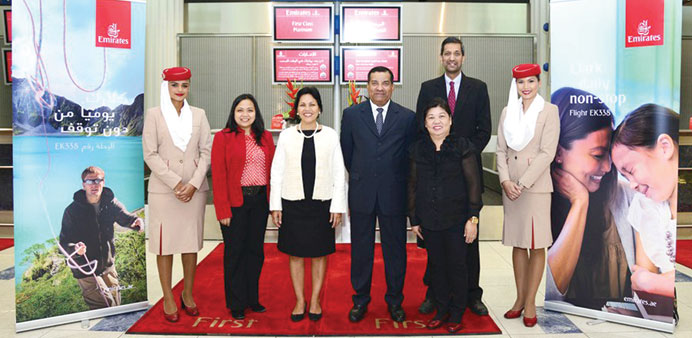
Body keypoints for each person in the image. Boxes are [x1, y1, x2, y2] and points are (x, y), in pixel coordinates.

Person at [415, 36, 491, 316]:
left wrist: (463, 157)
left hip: (466, 178)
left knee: (469, 241)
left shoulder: (478, 88)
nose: (451, 58)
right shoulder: (428, 88)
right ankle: (434, 294)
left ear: (463, 57)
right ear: (440, 57)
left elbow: (484, 130)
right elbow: (420, 128)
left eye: (456, 53)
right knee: (435, 242)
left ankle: (472, 294)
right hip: (434, 177)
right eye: (447, 53)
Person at [546, 87, 636, 311]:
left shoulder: (628, 197)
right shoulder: (539, 202)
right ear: (558, 152)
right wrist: (580, 203)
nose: (607, 167)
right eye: (597, 155)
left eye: (608, 154)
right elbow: (549, 292)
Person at [341, 66, 417, 323]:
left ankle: (395, 301)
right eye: (375, 83)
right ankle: (360, 300)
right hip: (362, 193)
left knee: (395, 251)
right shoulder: (351, 115)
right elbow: (347, 153)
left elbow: (410, 157)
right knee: (361, 250)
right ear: (367, 86)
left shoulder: (407, 117)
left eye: (385, 83)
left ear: (393, 87)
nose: (380, 88)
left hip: (393, 194)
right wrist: (363, 176)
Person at [270, 86, 347, 322]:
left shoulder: (331, 135)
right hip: (292, 203)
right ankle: (299, 300)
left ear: (320, 108)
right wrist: (276, 205)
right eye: (303, 105)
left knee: (319, 254)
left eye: (312, 104)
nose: (307, 109)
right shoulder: (286, 136)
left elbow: (338, 174)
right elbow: (277, 172)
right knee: (295, 254)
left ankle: (314, 299)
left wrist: (337, 206)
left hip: (322, 204)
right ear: (296, 109)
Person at [142, 67, 212, 322]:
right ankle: (168, 296)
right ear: (166, 87)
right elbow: (150, 154)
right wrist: (175, 183)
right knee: (165, 245)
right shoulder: (154, 115)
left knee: (189, 243)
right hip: (164, 191)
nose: (180, 90)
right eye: (175, 85)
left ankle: (188, 293)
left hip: (194, 190)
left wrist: (193, 183)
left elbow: (206, 152)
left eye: (184, 85)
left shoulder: (199, 114)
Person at [408, 98, 482, 333]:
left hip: (457, 220)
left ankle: (457, 312)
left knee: (458, 266)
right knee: (436, 266)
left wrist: (473, 219)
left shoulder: (463, 146)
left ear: (450, 120)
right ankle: (441, 309)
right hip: (429, 219)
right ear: (425, 123)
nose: (436, 121)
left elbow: (474, 185)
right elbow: (412, 185)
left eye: (442, 116)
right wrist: (414, 219)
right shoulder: (418, 148)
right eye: (431, 117)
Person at [496, 64, 559, 327]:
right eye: (521, 83)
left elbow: (548, 152)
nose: (526, 87)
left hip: (535, 187)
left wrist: (522, 182)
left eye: (531, 82)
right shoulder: (507, 112)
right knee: (518, 242)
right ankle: (519, 299)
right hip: (511, 187)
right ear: (515, 85)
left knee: (536, 243)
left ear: (539, 82)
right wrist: (505, 180)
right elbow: (500, 150)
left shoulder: (549, 111)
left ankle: (531, 301)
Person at [211, 94, 275, 320]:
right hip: (235, 204)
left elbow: (273, 172)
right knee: (235, 253)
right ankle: (236, 302)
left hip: (259, 201)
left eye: (250, 110)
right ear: (233, 112)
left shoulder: (265, 137)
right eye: (240, 110)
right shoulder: (223, 137)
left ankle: (252, 298)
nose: (245, 114)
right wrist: (222, 210)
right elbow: (218, 176)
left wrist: (273, 204)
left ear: (256, 113)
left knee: (255, 252)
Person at [611, 104, 678, 299]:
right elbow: (641, 282)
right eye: (625, 177)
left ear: (664, 147)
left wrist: (654, 282)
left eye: (631, 171)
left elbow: (646, 280)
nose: (632, 185)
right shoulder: (643, 206)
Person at [59, 166, 143, 310]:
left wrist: (135, 221)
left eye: (98, 180)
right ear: (83, 184)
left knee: (116, 304)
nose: (95, 184)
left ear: (104, 182)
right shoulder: (72, 211)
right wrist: (75, 248)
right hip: (85, 267)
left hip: (107, 265)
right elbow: (63, 243)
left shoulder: (111, 202)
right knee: (104, 305)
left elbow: (124, 216)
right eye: (90, 181)